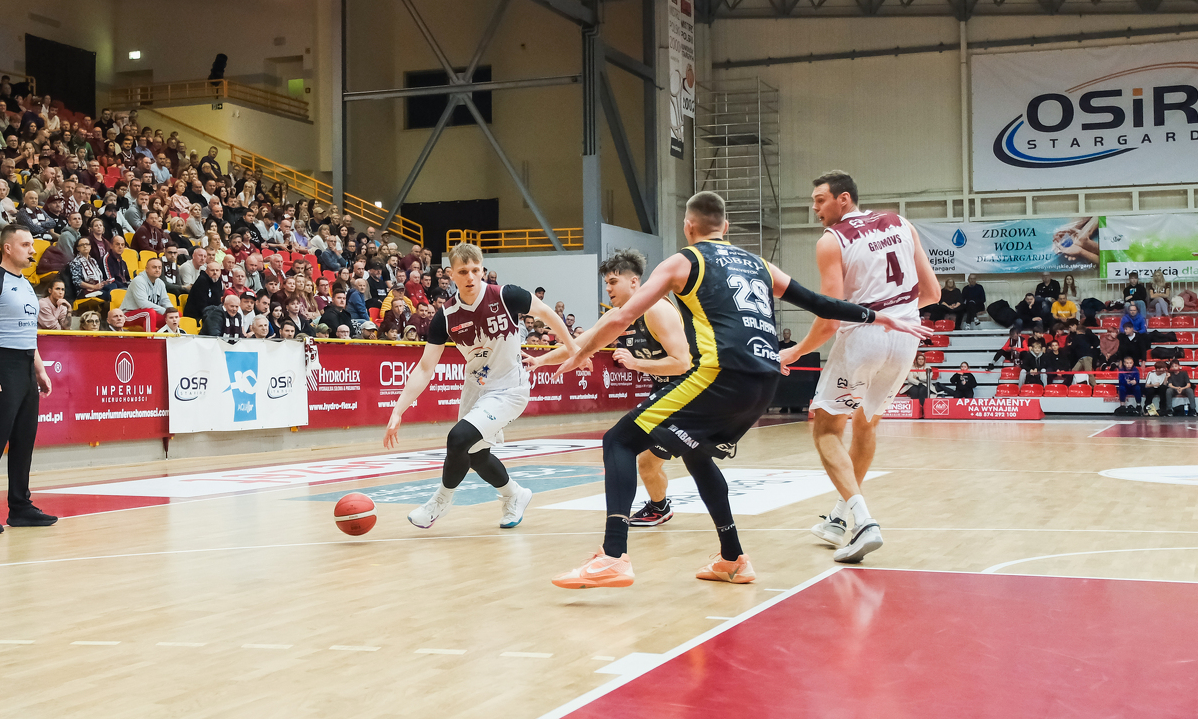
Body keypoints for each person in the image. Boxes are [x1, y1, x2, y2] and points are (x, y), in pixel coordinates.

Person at [552, 189, 922, 589]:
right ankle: (732, 559)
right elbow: (818, 302)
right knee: (696, 453)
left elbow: (622, 316)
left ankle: (612, 556)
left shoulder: (683, 260)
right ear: (725, 227)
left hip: (720, 374)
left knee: (618, 441)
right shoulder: (760, 264)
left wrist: (581, 352)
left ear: (688, 227)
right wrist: (874, 316)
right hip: (766, 379)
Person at [778, 172, 939, 565]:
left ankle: (865, 523)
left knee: (826, 428)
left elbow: (830, 317)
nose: (814, 208)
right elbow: (932, 293)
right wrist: (896, 316)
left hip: (864, 336)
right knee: (866, 423)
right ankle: (838, 518)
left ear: (843, 199)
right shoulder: (901, 223)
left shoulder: (832, 240)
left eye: (820, 200)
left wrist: (796, 351)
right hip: (907, 336)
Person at [383, 242, 576, 532]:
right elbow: (425, 368)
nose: (471, 277)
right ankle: (514, 494)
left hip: (510, 388)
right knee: (475, 455)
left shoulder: (506, 295)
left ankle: (440, 501)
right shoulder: (446, 315)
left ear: (482, 270)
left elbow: (547, 314)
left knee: (458, 438)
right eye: (463, 272)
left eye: (476, 270)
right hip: (476, 387)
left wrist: (574, 350)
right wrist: (398, 410)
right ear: (451, 275)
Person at [528, 249, 691, 528]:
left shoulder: (657, 311)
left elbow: (682, 364)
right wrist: (540, 360)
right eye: (606, 282)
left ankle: (630, 519)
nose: (608, 288)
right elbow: (580, 344)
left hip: (690, 392)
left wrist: (636, 363)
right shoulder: (617, 317)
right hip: (664, 392)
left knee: (636, 452)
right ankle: (659, 507)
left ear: (634, 282)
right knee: (648, 462)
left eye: (613, 282)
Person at [0, 225, 58, 534]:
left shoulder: (26, 284)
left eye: (32, 245)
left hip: (24, 365)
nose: (32, 250)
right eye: (26, 245)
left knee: (24, 438)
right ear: (8, 248)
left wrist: (39, 369)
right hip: (2, 364)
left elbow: (28, 333)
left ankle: (20, 507)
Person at [121, 256, 177, 332]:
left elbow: (165, 300)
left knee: (174, 316)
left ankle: (167, 337)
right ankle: (150, 338)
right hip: (127, 315)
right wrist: (164, 310)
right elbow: (143, 304)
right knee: (149, 313)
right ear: (146, 269)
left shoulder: (160, 282)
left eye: (159, 268)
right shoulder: (138, 281)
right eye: (154, 267)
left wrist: (171, 312)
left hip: (146, 314)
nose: (157, 270)